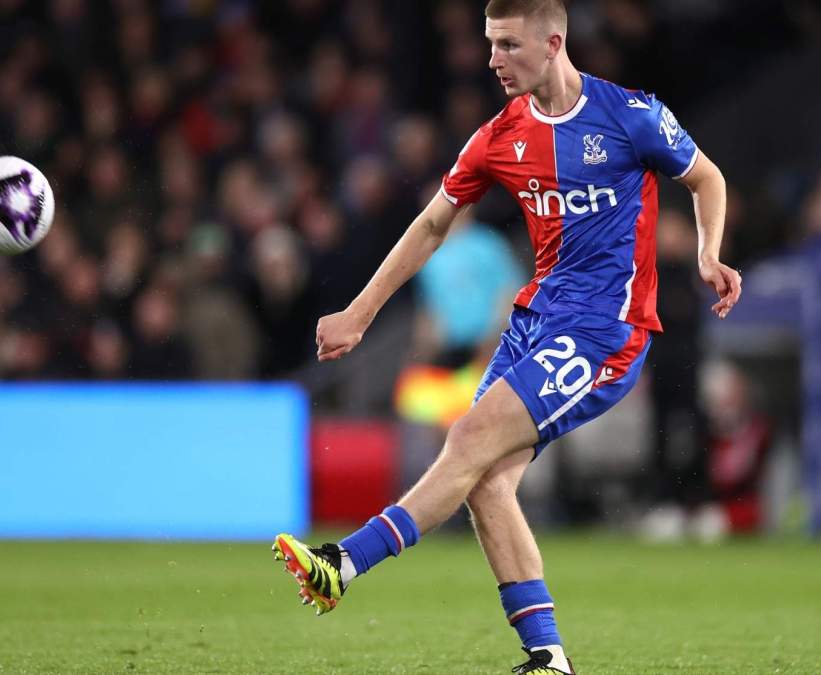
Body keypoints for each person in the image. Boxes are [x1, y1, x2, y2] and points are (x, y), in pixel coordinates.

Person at [273, 1, 741, 672]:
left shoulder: (629, 115)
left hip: (604, 333)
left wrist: (706, 254)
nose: (492, 59)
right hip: (535, 323)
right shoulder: (499, 136)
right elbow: (432, 224)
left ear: (553, 42)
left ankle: (342, 563)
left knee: (465, 439)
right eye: (490, 44)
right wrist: (360, 312)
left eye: (508, 46)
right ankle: (548, 657)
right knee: (487, 482)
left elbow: (707, 178)